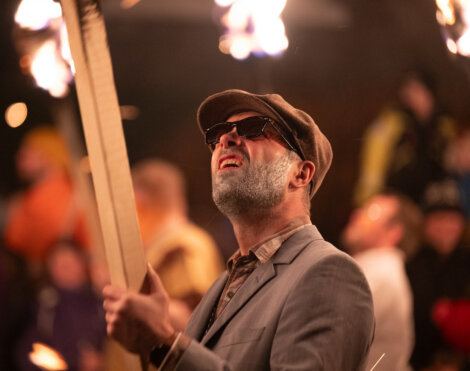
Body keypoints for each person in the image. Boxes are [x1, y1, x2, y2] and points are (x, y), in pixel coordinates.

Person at [103, 89, 375, 370]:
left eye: (253, 128)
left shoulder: (328, 275)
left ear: (301, 174)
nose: (225, 138)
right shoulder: (221, 286)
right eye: (216, 133)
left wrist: (166, 344)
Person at [132, 158, 223, 330]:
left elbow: (193, 318)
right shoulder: (184, 240)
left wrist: (132, 301)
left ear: (139, 203)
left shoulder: (180, 244)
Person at [342, 192, 422, 371]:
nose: (357, 215)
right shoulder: (371, 271)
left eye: (372, 212)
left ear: (394, 233)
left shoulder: (381, 277)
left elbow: (331, 336)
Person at [354, 71, 456, 206]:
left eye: (417, 90)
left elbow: (453, 167)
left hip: (438, 204)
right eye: (407, 90)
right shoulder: (390, 125)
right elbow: (372, 172)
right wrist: (368, 202)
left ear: (430, 94)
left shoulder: (445, 127)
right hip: (398, 203)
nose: (410, 96)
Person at [406, 179, 470, 370]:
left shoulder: (466, 261)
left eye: (452, 218)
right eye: (438, 218)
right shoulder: (411, 265)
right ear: (425, 223)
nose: (446, 227)